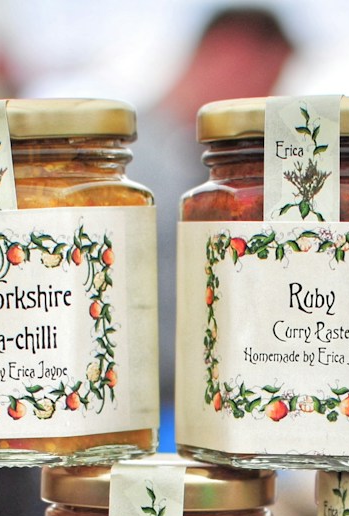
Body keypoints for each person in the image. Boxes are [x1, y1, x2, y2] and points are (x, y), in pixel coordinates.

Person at [131, 7, 295, 426]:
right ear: (232, 54)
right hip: (146, 400)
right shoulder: (130, 159)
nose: (267, 102)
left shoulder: (210, 161)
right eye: (269, 81)